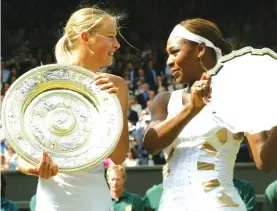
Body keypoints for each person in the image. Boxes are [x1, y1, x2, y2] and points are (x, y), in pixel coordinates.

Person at [143, 18, 277, 211]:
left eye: (174, 52)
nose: (169, 61)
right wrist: (192, 108)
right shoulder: (164, 100)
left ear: (200, 50)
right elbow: (151, 144)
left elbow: (265, 163)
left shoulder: (239, 97)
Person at [17, 6, 129, 211]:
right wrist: (36, 168)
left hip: (95, 199)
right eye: (111, 36)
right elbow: (21, 157)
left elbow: (119, 156)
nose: (117, 44)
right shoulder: (43, 83)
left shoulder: (117, 86)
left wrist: (114, 104)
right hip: (52, 200)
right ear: (86, 37)